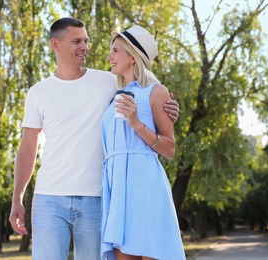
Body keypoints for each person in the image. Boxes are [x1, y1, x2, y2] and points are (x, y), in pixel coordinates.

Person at [8, 17, 180, 260]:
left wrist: (170, 108)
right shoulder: (38, 92)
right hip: (49, 199)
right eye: (77, 41)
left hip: (97, 199)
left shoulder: (109, 82)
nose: (85, 47)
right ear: (55, 45)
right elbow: (27, 149)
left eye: (86, 41)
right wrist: (17, 199)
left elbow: (147, 95)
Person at [100, 25, 186, 259]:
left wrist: (137, 124)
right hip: (117, 188)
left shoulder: (156, 92)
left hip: (145, 185)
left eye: (115, 51)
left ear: (131, 56)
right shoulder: (112, 94)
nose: (110, 56)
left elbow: (169, 148)